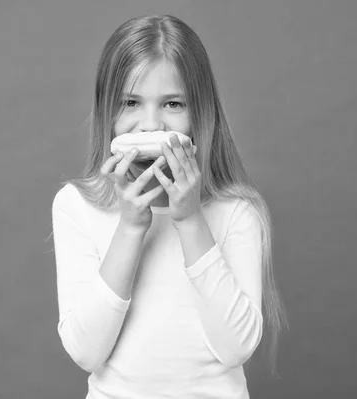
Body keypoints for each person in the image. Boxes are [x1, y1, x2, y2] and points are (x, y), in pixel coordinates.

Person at [51, 14, 288, 398]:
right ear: (107, 110)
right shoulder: (77, 207)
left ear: (200, 114)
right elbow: (85, 351)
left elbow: (236, 347)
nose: (150, 124)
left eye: (172, 104)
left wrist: (191, 220)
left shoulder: (236, 211)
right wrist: (130, 228)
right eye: (130, 102)